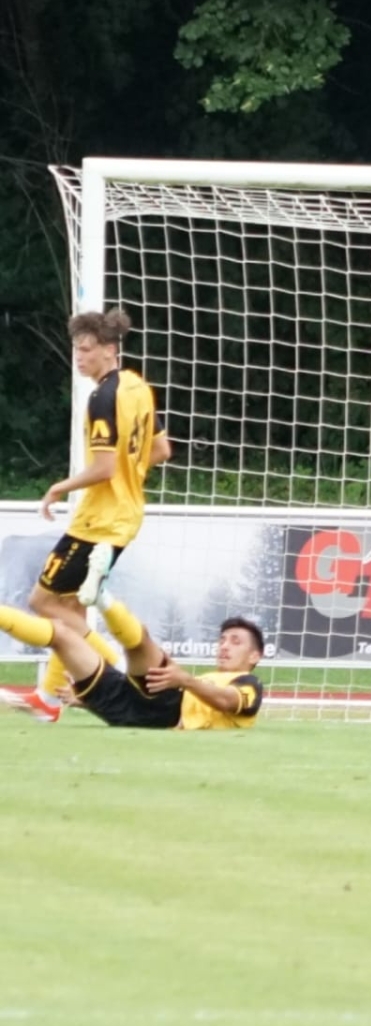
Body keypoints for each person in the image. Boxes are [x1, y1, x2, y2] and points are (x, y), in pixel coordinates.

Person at [22, 308, 170, 722]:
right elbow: (161, 450)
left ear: (109, 349)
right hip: (126, 516)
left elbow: (104, 468)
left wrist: (59, 487)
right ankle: (49, 698)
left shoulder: (102, 398)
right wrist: (130, 472)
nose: (80, 358)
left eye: (87, 350)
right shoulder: (138, 387)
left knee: (43, 602)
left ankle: (113, 665)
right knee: (72, 607)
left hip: (97, 521)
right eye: (76, 349)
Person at [0, 593, 264, 730]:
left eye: (235, 642)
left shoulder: (249, 683)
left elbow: (228, 702)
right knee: (61, 633)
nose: (224, 646)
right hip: (128, 709)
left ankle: (102, 595)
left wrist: (185, 680)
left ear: (255, 656)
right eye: (223, 640)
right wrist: (87, 701)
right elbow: (134, 711)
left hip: (168, 712)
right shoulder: (207, 678)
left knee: (140, 642)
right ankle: (48, 704)